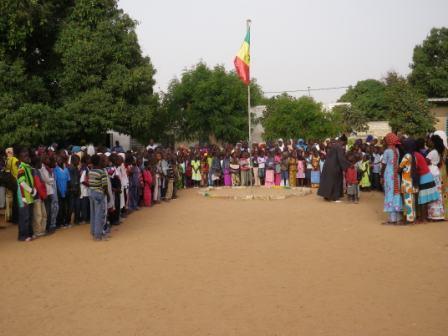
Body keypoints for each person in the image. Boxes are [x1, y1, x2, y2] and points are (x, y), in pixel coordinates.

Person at [381, 133, 403, 224]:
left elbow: (384, 164)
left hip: (389, 174)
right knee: (396, 193)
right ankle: (397, 218)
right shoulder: (397, 150)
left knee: (389, 193)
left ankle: (392, 219)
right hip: (396, 175)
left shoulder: (387, 151)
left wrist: (381, 176)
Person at [87, 154, 108, 241]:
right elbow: (105, 186)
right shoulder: (101, 172)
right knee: (99, 214)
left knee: (93, 214)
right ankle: (98, 235)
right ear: (98, 161)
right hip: (99, 194)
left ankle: (93, 232)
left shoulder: (90, 171)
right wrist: (106, 194)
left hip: (91, 193)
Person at [17, 149, 36, 241]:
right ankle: (22, 236)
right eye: (25, 156)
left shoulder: (28, 167)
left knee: (29, 216)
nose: (27, 157)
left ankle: (29, 233)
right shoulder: (21, 167)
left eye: (28, 155)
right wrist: (31, 190)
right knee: (24, 216)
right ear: (20, 158)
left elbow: (31, 181)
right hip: (23, 197)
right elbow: (22, 182)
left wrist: (33, 189)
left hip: (29, 196)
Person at [399, 139, 419, 224]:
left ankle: (409, 220)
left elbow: (400, 167)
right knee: (412, 201)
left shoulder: (407, 155)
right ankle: (412, 218)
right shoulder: (414, 156)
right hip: (413, 181)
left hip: (407, 182)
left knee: (408, 201)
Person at [426, 134, 445, 221]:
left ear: (433, 142)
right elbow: (440, 163)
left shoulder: (432, 152)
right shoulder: (438, 152)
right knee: (437, 193)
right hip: (436, 171)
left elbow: (426, 162)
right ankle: (439, 214)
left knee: (432, 193)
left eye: (430, 140)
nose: (428, 141)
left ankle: (433, 215)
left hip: (431, 172)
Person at [54, 155, 71, 228]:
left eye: (60, 159)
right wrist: (59, 191)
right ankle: (59, 223)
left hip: (66, 191)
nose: (59, 161)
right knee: (60, 208)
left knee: (65, 208)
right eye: (58, 160)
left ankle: (65, 222)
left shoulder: (66, 170)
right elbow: (55, 182)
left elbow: (68, 180)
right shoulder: (55, 170)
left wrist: (68, 189)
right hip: (59, 192)